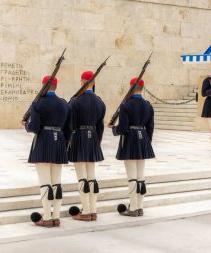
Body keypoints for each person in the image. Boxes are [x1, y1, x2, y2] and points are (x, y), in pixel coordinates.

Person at [22, 76, 71, 227]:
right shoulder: (64, 103)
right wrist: (64, 143)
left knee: (45, 182)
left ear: (43, 85)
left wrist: (26, 124)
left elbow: (34, 127)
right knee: (56, 183)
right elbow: (69, 129)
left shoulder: (38, 103)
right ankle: (56, 216)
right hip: (59, 141)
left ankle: (47, 217)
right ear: (55, 87)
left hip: (43, 140)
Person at [110, 77, 155, 217]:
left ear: (130, 86)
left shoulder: (126, 105)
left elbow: (123, 128)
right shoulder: (148, 105)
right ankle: (140, 207)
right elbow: (151, 127)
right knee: (140, 176)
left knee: (132, 177)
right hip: (143, 138)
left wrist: (114, 129)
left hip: (130, 140)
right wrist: (146, 142)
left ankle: (133, 208)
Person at [68, 71, 106, 221]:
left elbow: (71, 124)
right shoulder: (100, 102)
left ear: (82, 81)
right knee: (92, 177)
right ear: (93, 83)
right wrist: (97, 141)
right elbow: (100, 126)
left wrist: (69, 141)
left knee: (82, 178)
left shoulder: (76, 101)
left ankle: (85, 212)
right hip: (93, 138)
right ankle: (93, 210)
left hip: (79, 137)